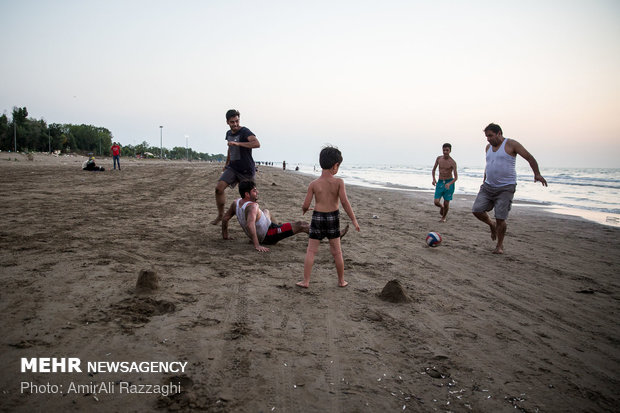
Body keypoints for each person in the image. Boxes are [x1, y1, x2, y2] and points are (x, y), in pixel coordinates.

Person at [472, 123, 548, 254]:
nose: (488, 139)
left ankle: (499, 246)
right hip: (488, 186)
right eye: (486, 136)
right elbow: (489, 164)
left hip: (505, 188)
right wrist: (484, 180)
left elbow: (529, 157)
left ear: (499, 133)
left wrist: (537, 174)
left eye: (490, 136)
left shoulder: (511, 144)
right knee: (477, 210)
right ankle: (492, 224)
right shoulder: (488, 147)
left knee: (501, 218)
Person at [297, 146, 360, 288]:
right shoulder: (339, 182)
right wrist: (354, 220)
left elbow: (306, 204)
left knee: (311, 251)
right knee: (337, 252)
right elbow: (344, 202)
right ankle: (341, 281)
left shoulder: (314, 184)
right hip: (332, 218)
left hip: (318, 217)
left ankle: (306, 281)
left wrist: (305, 210)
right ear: (335, 166)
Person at [221, 181, 309, 252]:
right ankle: (317, 236)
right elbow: (249, 225)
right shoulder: (253, 206)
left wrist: (225, 236)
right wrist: (257, 245)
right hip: (269, 235)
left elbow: (225, 218)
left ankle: (278, 226)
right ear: (247, 194)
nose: (257, 192)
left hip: (265, 229)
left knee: (266, 211)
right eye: (254, 191)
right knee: (301, 224)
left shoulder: (236, 203)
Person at [211, 110, 260, 225]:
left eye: (237, 121)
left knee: (250, 198)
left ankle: (254, 223)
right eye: (232, 122)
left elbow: (257, 144)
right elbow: (230, 149)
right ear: (227, 122)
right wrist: (226, 163)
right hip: (233, 168)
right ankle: (220, 215)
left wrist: (238, 143)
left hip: (246, 170)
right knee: (219, 189)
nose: (235, 124)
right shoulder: (228, 133)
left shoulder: (245, 131)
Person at [432, 143, 458, 222]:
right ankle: (442, 207)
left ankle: (443, 217)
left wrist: (449, 183)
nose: (445, 152)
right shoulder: (439, 158)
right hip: (440, 182)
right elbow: (433, 170)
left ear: (450, 151)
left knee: (446, 203)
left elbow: (456, 177)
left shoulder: (452, 162)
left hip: (449, 182)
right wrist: (434, 179)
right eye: (444, 150)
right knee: (436, 202)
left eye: (447, 150)